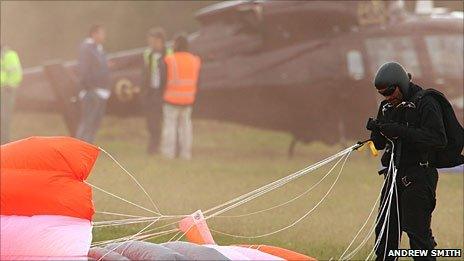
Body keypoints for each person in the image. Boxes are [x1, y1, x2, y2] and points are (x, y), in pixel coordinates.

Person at [367, 62, 447, 261]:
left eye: (390, 92)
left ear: (401, 84)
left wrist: (399, 130)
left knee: (418, 236)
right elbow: (379, 144)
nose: (387, 97)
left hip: (420, 176)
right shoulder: (386, 107)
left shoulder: (426, 102)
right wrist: (376, 129)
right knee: (385, 234)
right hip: (393, 175)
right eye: (383, 94)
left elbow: (438, 139)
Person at [160, 34, 201, 159]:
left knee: (170, 127)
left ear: (177, 44)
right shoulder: (195, 60)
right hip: (188, 100)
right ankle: (185, 154)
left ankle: (168, 153)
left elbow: (163, 80)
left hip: (171, 99)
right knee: (186, 128)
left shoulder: (170, 59)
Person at [75, 25, 110, 143]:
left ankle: (87, 152)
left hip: (101, 92)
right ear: (94, 34)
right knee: (87, 123)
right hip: (92, 92)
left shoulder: (99, 49)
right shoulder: (87, 49)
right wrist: (90, 88)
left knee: (94, 124)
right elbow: (83, 70)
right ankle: (78, 152)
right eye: (101, 33)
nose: (104, 36)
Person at [141, 27, 167, 154]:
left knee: (162, 121)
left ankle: (161, 146)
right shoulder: (147, 54)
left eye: (153, 41)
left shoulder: (169, 53)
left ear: (160, 41)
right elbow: (144, 74)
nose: (151, 43)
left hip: (163, 92)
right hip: (151, 92)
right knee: (151, 122)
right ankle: (153, 146)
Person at [1, 44, 23, 144]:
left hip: (5, 91)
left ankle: (3, 144)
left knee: (4, 119)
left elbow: (16, 73)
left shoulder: (9, 55)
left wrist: (9, 86)